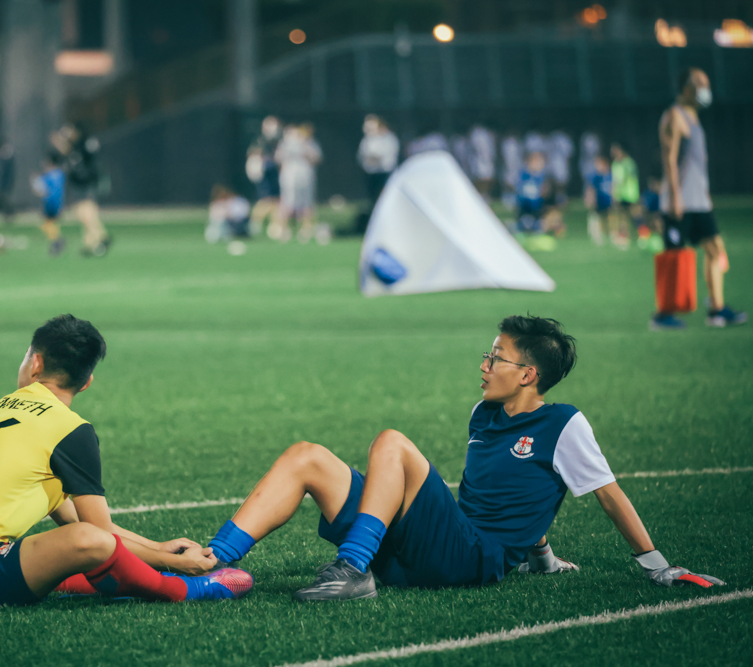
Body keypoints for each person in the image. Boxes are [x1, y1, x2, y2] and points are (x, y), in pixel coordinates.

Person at [204, 315, 725, 601]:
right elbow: (514, 491)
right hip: (436, 546)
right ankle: (210, 562)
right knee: (307, 456)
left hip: (471, 557)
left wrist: (657, 567)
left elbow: (609, 496)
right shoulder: (484, 413)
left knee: (392, 442)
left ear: (528, 375)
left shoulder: (564, 424)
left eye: (496, 357)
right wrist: (543, 558)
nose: (484, 364)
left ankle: (354, 569)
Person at [0, 314, 253, 607]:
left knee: (82, 537)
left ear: (35, 363)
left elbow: (72, 517)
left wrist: (158, 548)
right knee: (87, 540)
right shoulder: (70, 429)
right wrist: (170, 562)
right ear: (86, 383)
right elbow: (99, 534)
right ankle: (182, 589)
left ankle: (117, 578)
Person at [652, 67, 746, 330]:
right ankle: (662, 315)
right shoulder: (674, 115)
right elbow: (669, 159)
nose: (706, 89)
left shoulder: (694, 117)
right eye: (700, 84)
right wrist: (675, 198)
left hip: (699, 202)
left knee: (716, 250)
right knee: (673, 257)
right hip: (680, 202)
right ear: (686, 89)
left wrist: (705, 195)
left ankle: (716, 309)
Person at [51, 124, 111, 257]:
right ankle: (95, 240)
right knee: (82, 213)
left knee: (86, 212)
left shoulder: (84, 143)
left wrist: (63, 138)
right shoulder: (75, 145)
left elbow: (87, 159)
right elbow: (64, 150)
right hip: (78, 182)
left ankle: (97, 239)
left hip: (86, 182)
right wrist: (60, 139)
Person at [272, 123, 322, 244]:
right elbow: (278, 158)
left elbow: (316, 158)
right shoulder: (285, 144)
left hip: (305, 176)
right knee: (286, 202)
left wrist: (305, 147)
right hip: (289, 177)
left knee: (307, 203)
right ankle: (283, 229)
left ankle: (306, 229)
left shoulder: (309, 143)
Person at [352, 114, 399, 234]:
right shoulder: (367, 140)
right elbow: (362, 157)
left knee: (385, 200)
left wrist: (374, 157)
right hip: (371, 174)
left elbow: (385, 157)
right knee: (373, 201)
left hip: (385, 174)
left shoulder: (388, 138)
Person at [247, 116, 283, 236]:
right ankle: (253, 223)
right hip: (264, 172)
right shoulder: (261, 141)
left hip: (273, 171)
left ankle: (276, 225)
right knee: (266, 199)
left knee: (276, 200)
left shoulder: (278, 140)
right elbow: (253, 153)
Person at [585, 154, 626, 248]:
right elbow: (591, 189)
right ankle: (597, 235)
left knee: (611, 218)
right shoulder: (595, 176)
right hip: (599, 201)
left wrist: (615, 198)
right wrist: (590, 200)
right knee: (597, 217)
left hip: (608, 200)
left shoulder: (610, 176)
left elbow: (613, 188)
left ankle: (613, 235)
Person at [32, 152, 67, 257]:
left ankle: (57, 240)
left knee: (47, 223)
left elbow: (40, 190)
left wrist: (34, 180)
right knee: (52, 223)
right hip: (59, 202)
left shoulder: (47, 176)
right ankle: (57, 240)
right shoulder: (60, 174)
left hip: (48, 202)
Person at [545, 130, 574, 206]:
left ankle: (560, 199)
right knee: (557, 184)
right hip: (557, 163)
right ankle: (557, 200)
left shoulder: (555, 137)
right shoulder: (561, 138)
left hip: (558, 163)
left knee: (560, 184)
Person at [468, 125, 496, 201]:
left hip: (487, 159)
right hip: (479, 160)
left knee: (487, 178)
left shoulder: (488, 134)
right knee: (479, 178)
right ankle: (479, 195)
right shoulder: (476, 134)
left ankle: (485, 194)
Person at [499, 133, 523, 210]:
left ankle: (514, 202)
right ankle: (506, 201)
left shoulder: (518, 142)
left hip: (516, 168)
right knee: (508, 184)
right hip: (508, 168)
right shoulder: (507, 143)